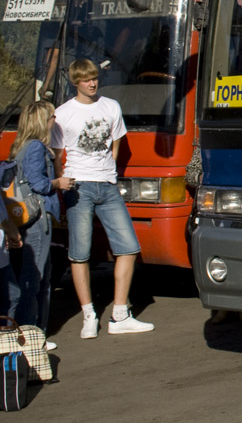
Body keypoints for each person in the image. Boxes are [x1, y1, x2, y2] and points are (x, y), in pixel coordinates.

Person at [51, 58, 154, 338]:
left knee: (129, 248)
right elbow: (57, 154)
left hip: (107, 186)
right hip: (78, 187)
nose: (92, 83)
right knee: (80, 253)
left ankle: (120, 314)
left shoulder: (111, 107)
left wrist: (109, 173)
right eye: (86, 79)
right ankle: (89, 315)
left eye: (95, 77)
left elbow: (116, 145)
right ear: (76, 82)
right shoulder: (63, 113)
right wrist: (64, 183)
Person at [9, 101, 61, 348]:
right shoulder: (35, 148)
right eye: (53, 116)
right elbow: (38, 184)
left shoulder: (21, 145)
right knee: (34, 276)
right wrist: (60, 183)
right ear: (44, 120)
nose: (55, 120)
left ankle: (36, 332)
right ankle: (30, 336)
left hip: (31, 217)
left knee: (41, 274)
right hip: (37, 217)